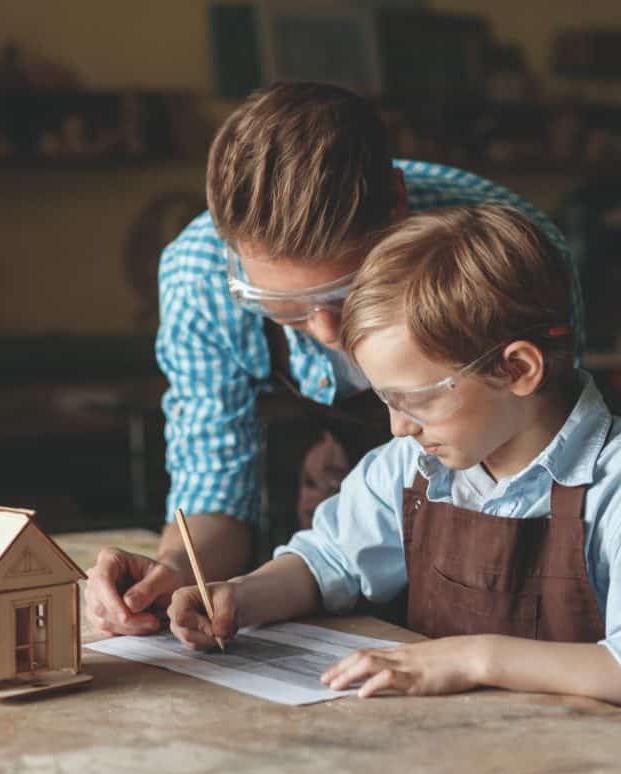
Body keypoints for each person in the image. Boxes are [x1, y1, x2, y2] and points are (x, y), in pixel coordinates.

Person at [85, 82, 585, 638]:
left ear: (396, 204)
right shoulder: (197, 277)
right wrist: (177, 574)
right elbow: (216, 486)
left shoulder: (507, 249)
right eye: (288, 313)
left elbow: (548, 457)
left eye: (344, 294)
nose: (326, 333)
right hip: (335, 540)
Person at [166, 206, 621, 704]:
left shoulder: (610, 487)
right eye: (387, 400)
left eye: (418, 399)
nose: (398, 426)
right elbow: (328, 561)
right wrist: (241, 596)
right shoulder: (410, 466)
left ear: (516, 369)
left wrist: (473, 658)